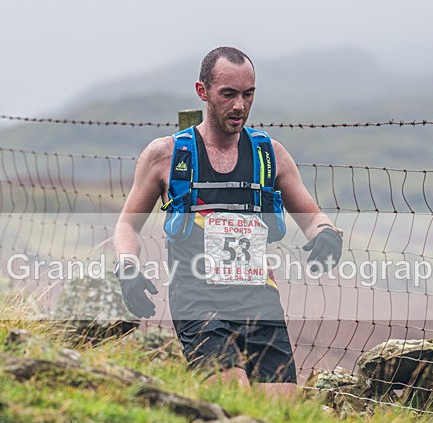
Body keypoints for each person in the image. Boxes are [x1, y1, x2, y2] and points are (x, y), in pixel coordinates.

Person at [113, 46, 342, 399]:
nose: (240, 106)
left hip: (260, 301)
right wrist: (127, 267)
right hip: (197, 301)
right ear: (202, 92)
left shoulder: (271, 155)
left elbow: (312, 217)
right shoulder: (167, 155)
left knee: (281, 415)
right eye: (229, 94)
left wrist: (327, 233)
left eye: (248, 94)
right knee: (234, 400)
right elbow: (128, 226)